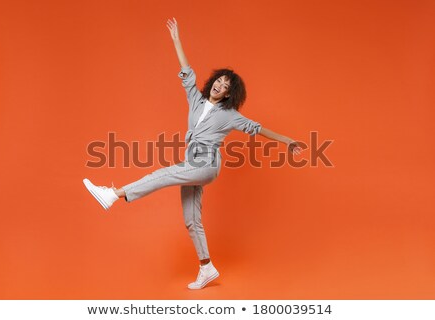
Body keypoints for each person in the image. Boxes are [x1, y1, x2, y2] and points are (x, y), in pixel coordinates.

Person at [83, 18, 302, 290]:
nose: (219, 87)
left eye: (225, 88)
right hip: (192, 163)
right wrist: (176, 40)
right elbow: (187, 72)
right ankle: (206, 267)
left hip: (206, 164)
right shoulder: (196, 100)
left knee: (162, 174)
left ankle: (113, 194)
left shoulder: (230, 115)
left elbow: (258, 129)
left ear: (229, 96)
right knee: (191, 220)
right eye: (219, 82)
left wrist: (288, 140)